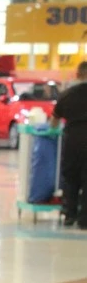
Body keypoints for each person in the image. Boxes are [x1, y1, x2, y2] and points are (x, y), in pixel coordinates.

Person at [53, 61, 87, 227]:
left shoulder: (67, 94)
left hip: (73, 141)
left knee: (71, 178)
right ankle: (84, 220)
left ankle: (69, 215)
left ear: (78, 74)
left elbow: (54, 121)